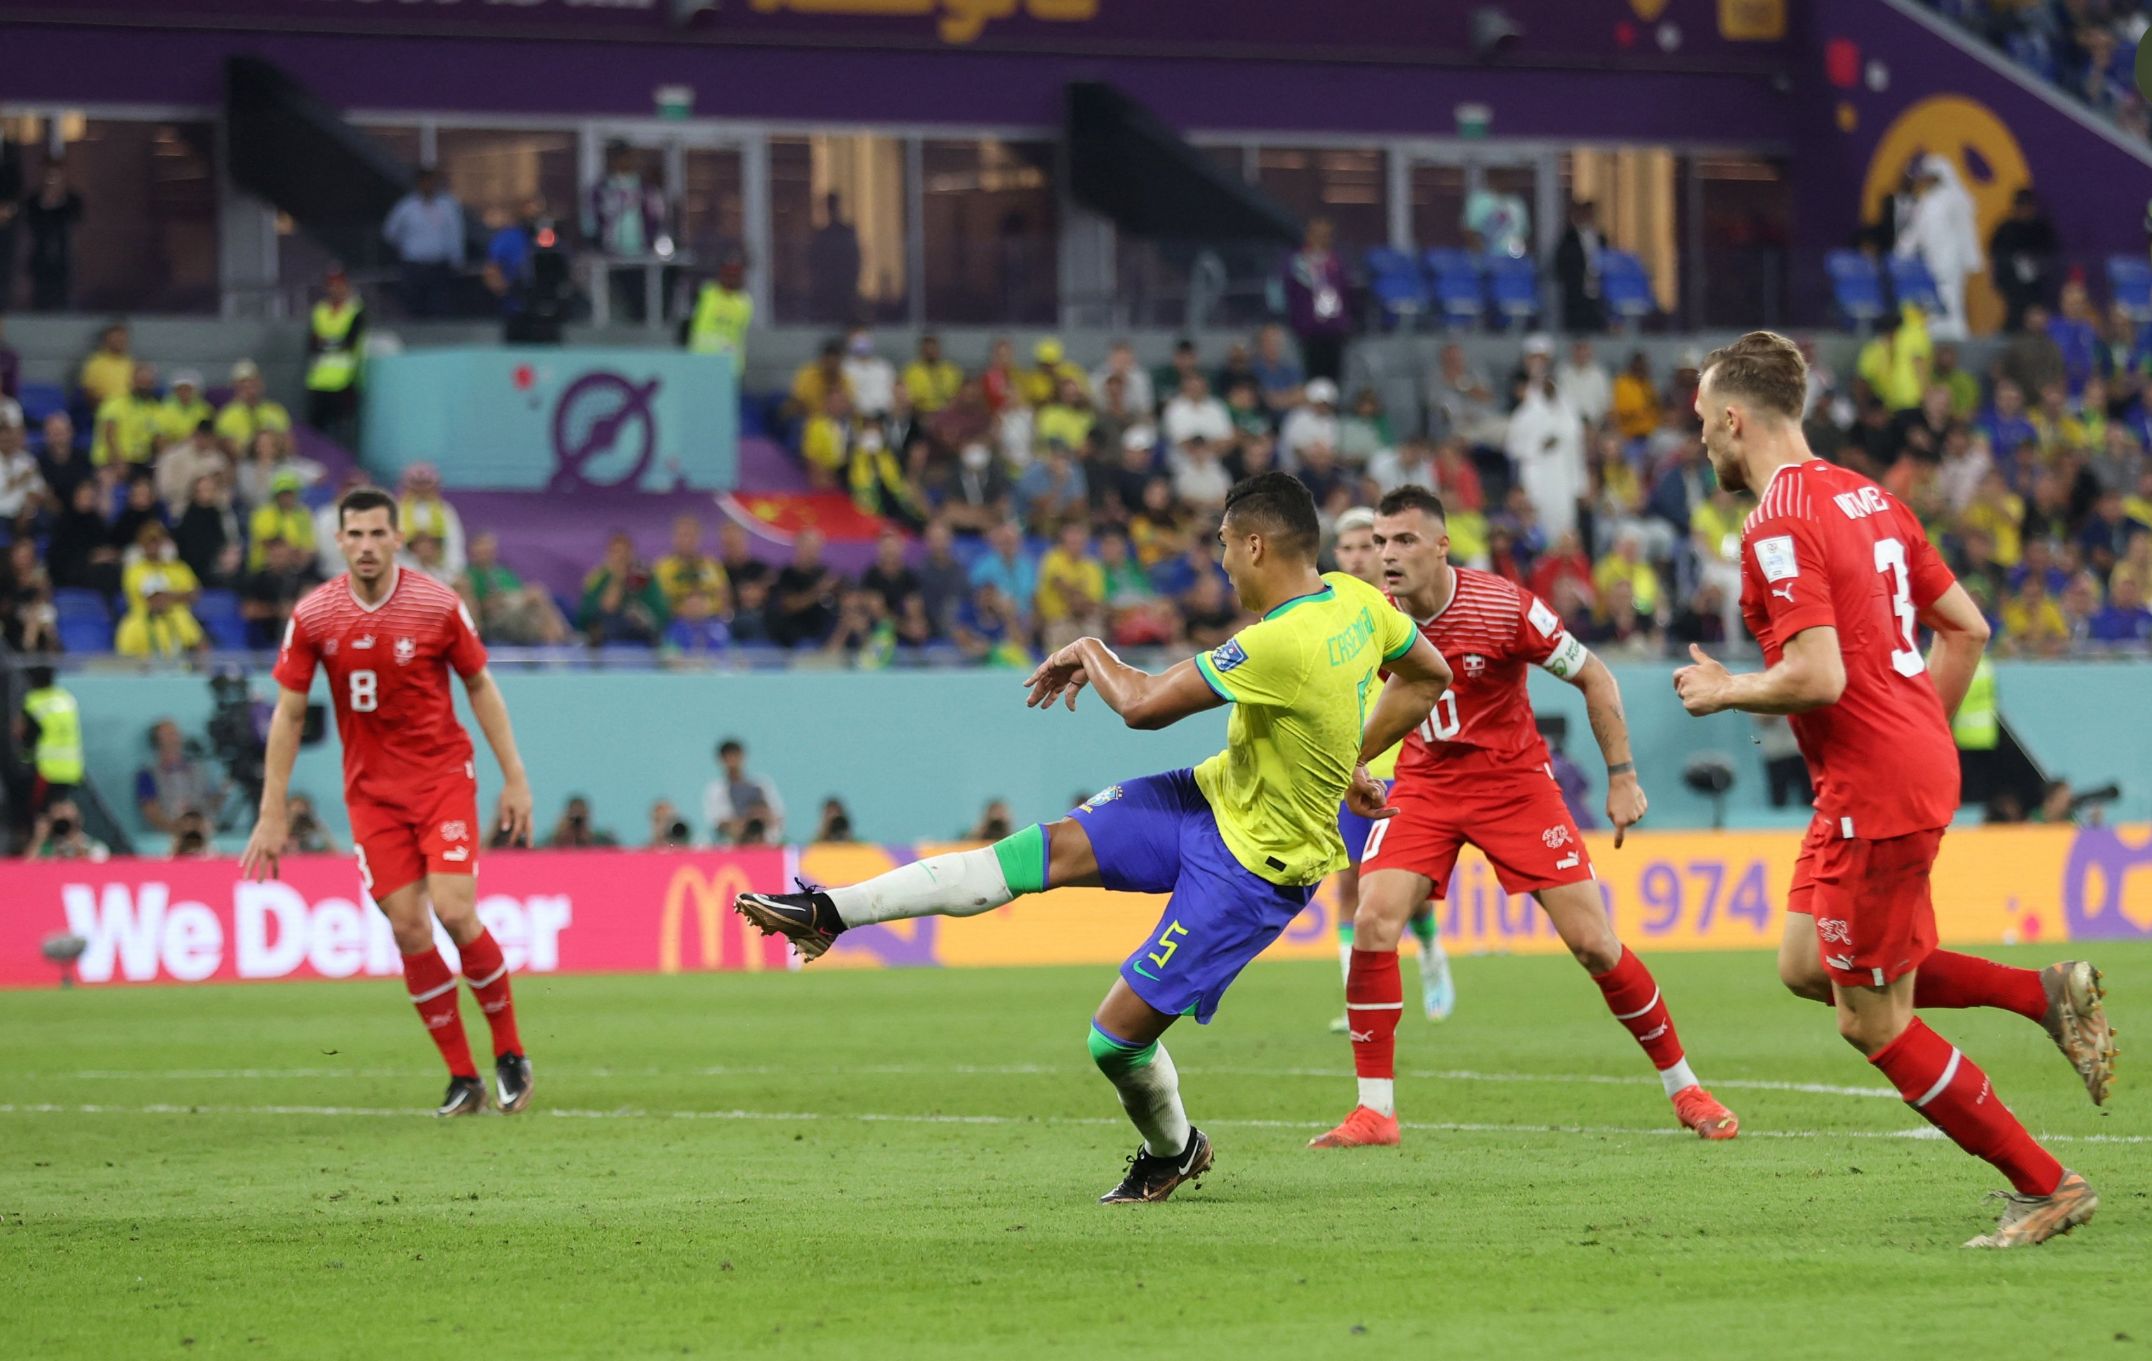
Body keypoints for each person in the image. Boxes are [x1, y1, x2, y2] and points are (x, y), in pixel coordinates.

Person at [735, 473, 1453, 1203]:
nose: (1223, 562)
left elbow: (1140, 705)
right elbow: (1428, 673)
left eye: (1226, 547)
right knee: (1024, 855)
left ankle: (1173, 1149)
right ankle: (830, 911)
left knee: (1114, 1041)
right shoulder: (1358, 600)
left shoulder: (1279, 642)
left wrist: (1088, 647)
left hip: (1254, 870)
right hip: (1206, 799)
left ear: (1257, 544)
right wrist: (1353, 759)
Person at [1673, 330, 2109, 1247]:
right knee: (1806, 965)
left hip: (1873, 783)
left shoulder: (1778, 523)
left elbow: (1819, 675)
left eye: (1703, 423)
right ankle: (2044, 993)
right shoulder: (1868, 495)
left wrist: (1726, 689)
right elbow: (1970, 629)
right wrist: (1914, 736)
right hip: (1885, 769)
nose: (1702, 440)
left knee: (1870, 1022)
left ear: (1733, 418)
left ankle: (2048, 1184)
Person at [1309, 484, 1735, 1149]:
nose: (1387, 555)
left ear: (1442, 545)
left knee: (1594, 943)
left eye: (1404, 541)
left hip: (1513, 785)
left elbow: (1594, 674)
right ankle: (1375, 1111)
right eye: (1381, 542)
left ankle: (1685, 1086)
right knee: (1372, 916)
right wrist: (1350, 763)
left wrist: (1622, 777)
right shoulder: (1366, 614)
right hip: (1423, 782)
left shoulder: (1504, 605)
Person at [240, 486, 537, 1118]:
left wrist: (514, 776)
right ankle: (463, 1077)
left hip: (440, 780)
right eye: (356, 535)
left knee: (456, 911)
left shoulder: (436, 604)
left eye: (379, 534)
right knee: (408, 928)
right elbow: (289, 716)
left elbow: (479, 685)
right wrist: (272, 811)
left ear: (398, 538)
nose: (368, 546)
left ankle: (509, 1051)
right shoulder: (315, 615)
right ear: (339, 541)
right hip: (372, 796)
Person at [1324, 508, 1451, 1028]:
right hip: (1346, 765)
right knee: (1349, 884)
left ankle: (1431, 954)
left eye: (1364, 546)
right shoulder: (1325, 611)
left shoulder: (1404, 612)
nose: (1356, 556)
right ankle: (1355, 999)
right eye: (1346, 548)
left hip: (1404, 765)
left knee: (1402, 891)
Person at [1894, 155, 1983, 341]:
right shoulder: (1926, 201)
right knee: (1931, 299)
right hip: (1930, 260)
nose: (1924, 179)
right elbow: (1915, 231)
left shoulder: (1956, 199)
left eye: (1928, 176)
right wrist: (1901, 253)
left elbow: (1966, 230)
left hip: (1952, 259)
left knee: (1951, 297)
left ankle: (1956, 335)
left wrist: (1972, 259)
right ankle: (1935, 334)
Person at [381, 166, 466, 319]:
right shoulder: (406, 207)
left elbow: (455, 234)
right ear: (418, 183)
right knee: (415, 309)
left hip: (439, 266)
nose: (429, 185)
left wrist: (457, 260)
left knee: (441, 308)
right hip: (414, 266)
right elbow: (390, 232)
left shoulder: (447, 205)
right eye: (425, 181)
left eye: (432, 181)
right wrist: (402, 249)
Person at [304, 265, 366, 445]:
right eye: (331, 284)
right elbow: (313, 344)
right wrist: (334, 341)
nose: (334, 288)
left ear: (345, 285)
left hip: (345, 381)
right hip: (319, 380)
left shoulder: (355, 310)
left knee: (343, 435)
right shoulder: (320, 310)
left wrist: (327, 342)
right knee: (316, 434)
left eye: (338, 283)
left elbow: (349, 342)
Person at [1283, 217, 1350, 383]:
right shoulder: (1297, 262)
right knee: (1312, 378)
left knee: (1334, 379)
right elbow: (1289, 293)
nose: (1322, 239)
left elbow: (1346, 293)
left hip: (1334, 330)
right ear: (1308, 235)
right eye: (1317, 234)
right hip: (1308, 331)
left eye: (1326, 235)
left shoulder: (1336, 262)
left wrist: (1345, 322)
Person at [135, 718, 220, 838]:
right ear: (157, 741)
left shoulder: (199, 770)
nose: (175, 738)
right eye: (169, 735)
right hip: (167, 839)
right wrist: (177, 829)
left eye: (176, 733)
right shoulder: (148, 775)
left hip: (204, 836)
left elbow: (211, 803)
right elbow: (150, 810)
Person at [1989, 189, 2059, 333]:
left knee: (2038, 317)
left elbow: (2051, 256)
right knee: (2015, 319)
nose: (2024, 211)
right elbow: (1995, 256)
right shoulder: (2005, 229)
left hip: (2038, 287)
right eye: (2021, 206)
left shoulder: (2042, 230)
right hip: (2012, 288)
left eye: (2028, 207)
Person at [17, 665, 83, 816]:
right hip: (71, 769)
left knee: (42, 814)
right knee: (62, 810)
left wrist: (25, 757)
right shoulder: (66, 698)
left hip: (47, 769)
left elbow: (29, 734)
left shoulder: (32, 701)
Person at [22, 162, 83, 312]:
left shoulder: (72, 200)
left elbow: (76, 220)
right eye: (49, 177)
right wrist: (46, 201)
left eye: (56, 177)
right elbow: (30, 223)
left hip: (65, 257)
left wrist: (58, 200)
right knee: (40, 297)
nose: (52, 181)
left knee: (64, 295)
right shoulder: (33, 201)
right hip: (40, 257)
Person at [704, 738, 785, 844]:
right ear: (721, 760)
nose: (732, 761)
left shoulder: (761, 784)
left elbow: (778, 815)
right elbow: (718, 822)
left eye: (735, 755)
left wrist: (761, 817)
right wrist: (744, 823)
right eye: (728, 757)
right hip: (735, 846)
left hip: (766, 844)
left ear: (742, 756)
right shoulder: (716, 790)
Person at [684, 252, 753, 369]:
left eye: (736, 273)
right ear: (721, 272)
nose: (732, 276)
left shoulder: (745, 302)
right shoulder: (706, 293)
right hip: (700, 362)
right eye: (728, 272)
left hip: (729, 366)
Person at [213, 361, 292, 462]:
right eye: (244, 384)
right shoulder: (227, 415)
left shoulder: (275, 410)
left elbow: (289, 446)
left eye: (253, 382)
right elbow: (233, 453)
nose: (250, 388)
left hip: (278, 463)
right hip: (246, 466)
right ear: (236, 387)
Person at [807, 191, 862, 325]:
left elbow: (854, 261)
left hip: (843, 290)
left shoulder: (844, 233)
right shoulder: (822, 236)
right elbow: (814, 262)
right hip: (827, 292)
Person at [1553, 200, 1605, 334]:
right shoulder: (1569, 237)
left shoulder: (1601, 238)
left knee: (1595, 317)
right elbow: (1561, 262)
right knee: (1577, 320)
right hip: (1576, 285)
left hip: (1597, 285)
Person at [28, 796, 108, 862]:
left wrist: (78, 848)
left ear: (78, 820)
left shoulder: (95, 846)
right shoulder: (46, 848)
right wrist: (39, 838)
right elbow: (27, 869)